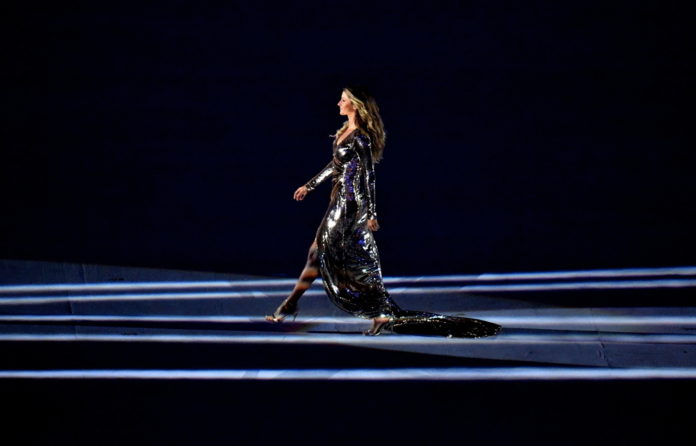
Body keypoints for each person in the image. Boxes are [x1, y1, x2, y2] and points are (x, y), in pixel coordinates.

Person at [266, 86, 501, 338]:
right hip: (338, 202)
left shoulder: (361, 138)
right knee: (318, 252)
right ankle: (293, 304)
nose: (338, 103)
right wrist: (309, 186)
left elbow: (369, 176)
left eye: (343, 100)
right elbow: (334, 166)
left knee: (343, 257)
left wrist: (371, 213)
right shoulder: (345, 132)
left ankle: (300, 305)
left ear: (355, 105)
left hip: (351, 205)